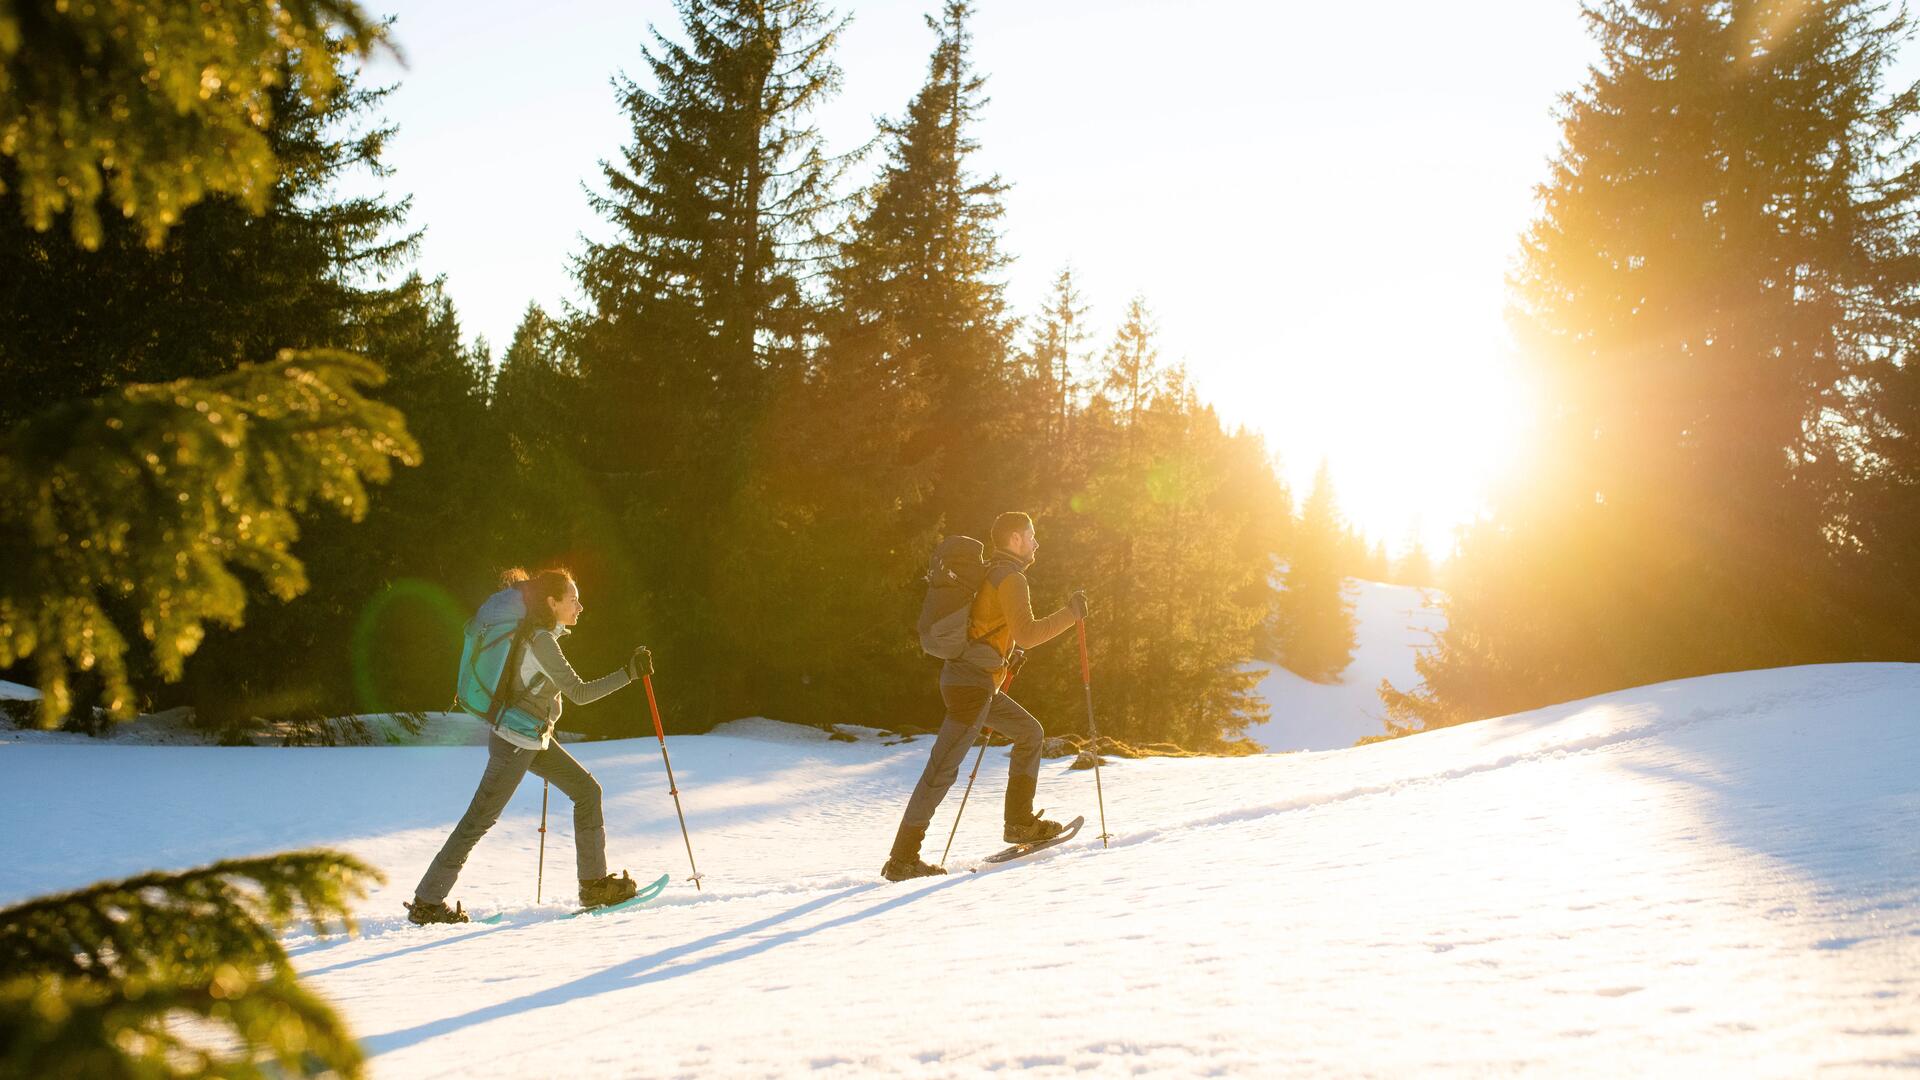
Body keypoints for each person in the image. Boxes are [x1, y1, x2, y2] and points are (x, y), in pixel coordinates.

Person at [406, 568, 653, 923]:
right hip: (515, 743)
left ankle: (594, 885)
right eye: (573, 600)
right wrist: (628, 673)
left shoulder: (539, 636)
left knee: (587, 791)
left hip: (531, 738)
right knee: (478, 821)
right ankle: (427, 902)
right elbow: (580, 693)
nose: (580, 606)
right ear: (552, 603)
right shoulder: (541, 641)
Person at [882, 511, 1088, 881]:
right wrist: (1071, 614)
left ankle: (1019, 823)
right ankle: (902, 859)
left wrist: (1005, 659)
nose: (1036, 543)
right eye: (1031, 535)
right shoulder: (1010, 578)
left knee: (1030, 733)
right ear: (1014, 539)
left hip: (972, 680)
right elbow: (1027, 633)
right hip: (972, 686)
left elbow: (987, 628)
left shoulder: (992, 573)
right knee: (940, 771)